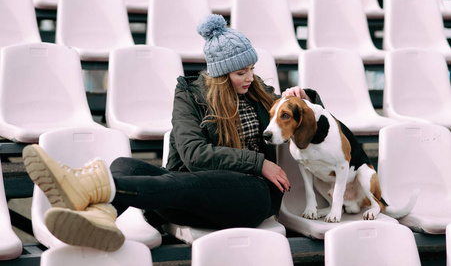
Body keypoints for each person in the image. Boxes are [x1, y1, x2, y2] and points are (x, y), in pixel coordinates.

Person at [22, 14, 323, 252]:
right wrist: (259, 161)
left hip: (251, 197)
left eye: (252, 69)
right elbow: (194, 156)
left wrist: (306, 96)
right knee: (124, 165)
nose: (249, 78)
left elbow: (317, 122)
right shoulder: (190, 95)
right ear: (220, 74)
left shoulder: (261, 94)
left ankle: (89, 187)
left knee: (168, 179)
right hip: (189, 193)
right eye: (240, 72)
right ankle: (101, 218)